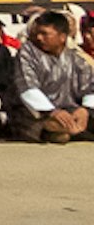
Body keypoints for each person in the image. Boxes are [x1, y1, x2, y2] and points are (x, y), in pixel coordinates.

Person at [18, 11, 90, 141]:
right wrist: (52, 112)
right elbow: (27, 88)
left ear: (62, 37)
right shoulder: (27, 53)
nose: (39, 38)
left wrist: (85, 110)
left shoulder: (76, 57)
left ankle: (71, 129)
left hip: (69, 110)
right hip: (37, 113)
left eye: (45, 34)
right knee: (45, 123)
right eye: (37, 34)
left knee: (79, 119)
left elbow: (90, 87)